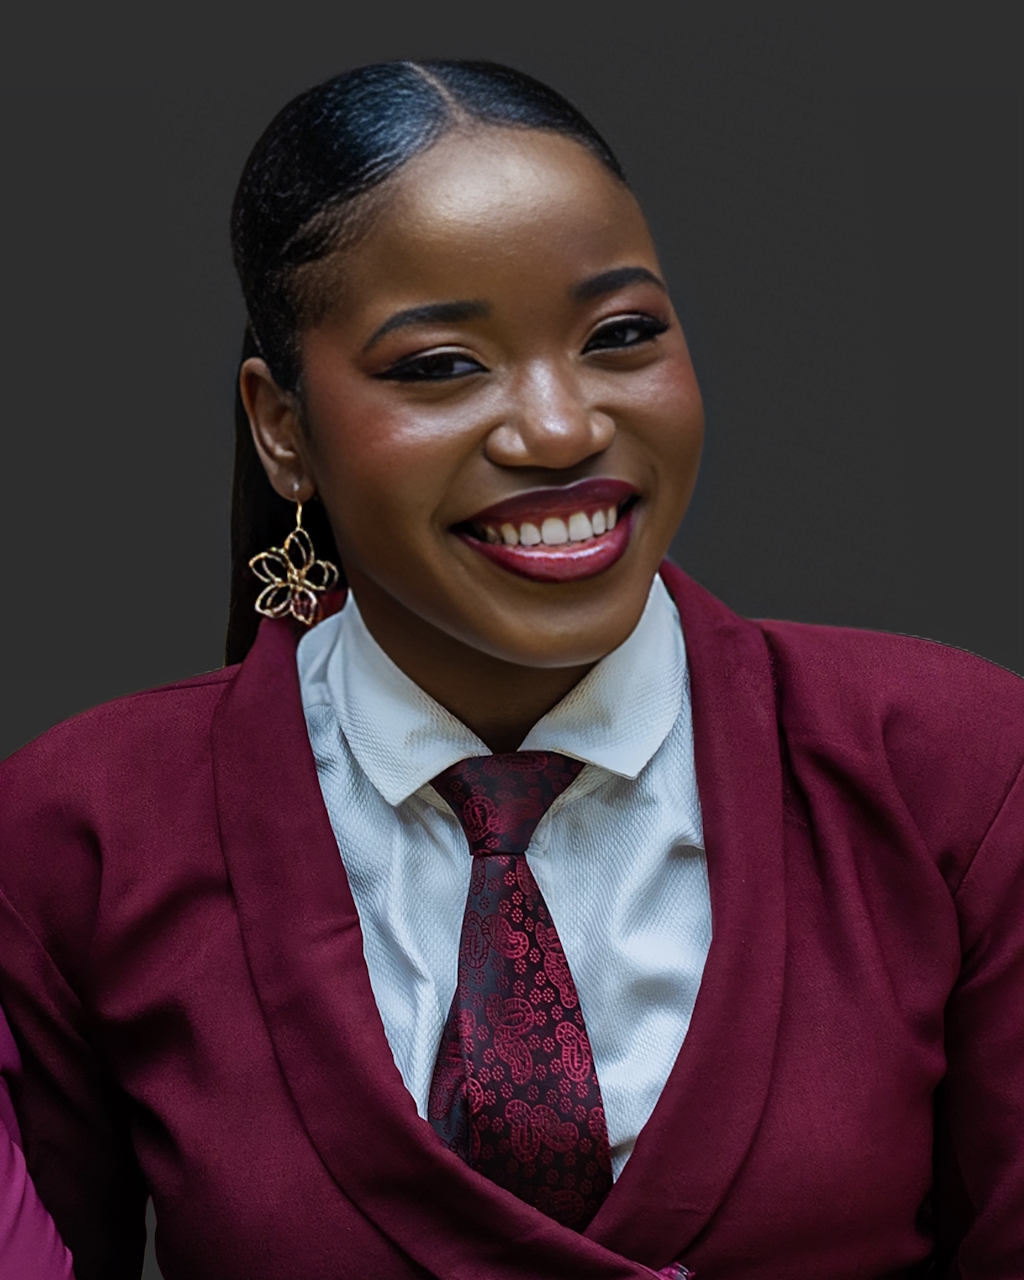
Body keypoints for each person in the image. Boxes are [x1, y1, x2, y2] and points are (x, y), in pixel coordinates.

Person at [0, 58, 1021, 1280]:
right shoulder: (81, 831)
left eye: (621, 336)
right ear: (281, 428)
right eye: (441, 364)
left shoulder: (955, 767)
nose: (560, 428)